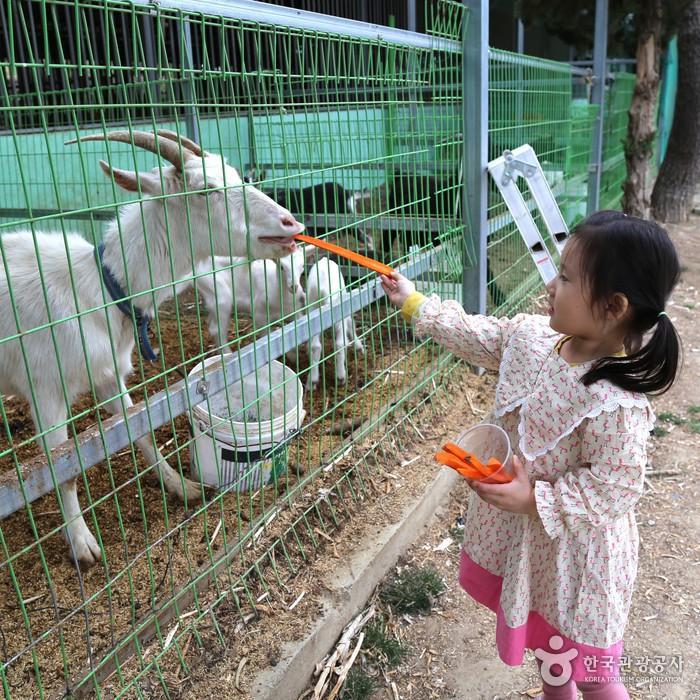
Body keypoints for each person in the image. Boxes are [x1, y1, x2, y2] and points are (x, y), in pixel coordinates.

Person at [380, 211, 682, 700]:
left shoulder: (615, 403)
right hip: (535, 551)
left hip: (580, 561)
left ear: (613, 306)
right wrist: (415, 303)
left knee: (594, 676)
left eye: (565, 277)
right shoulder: (534, 339)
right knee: (551, 653)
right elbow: (476, 335)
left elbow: (615, 486)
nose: (550, 283)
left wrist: (534, 500)